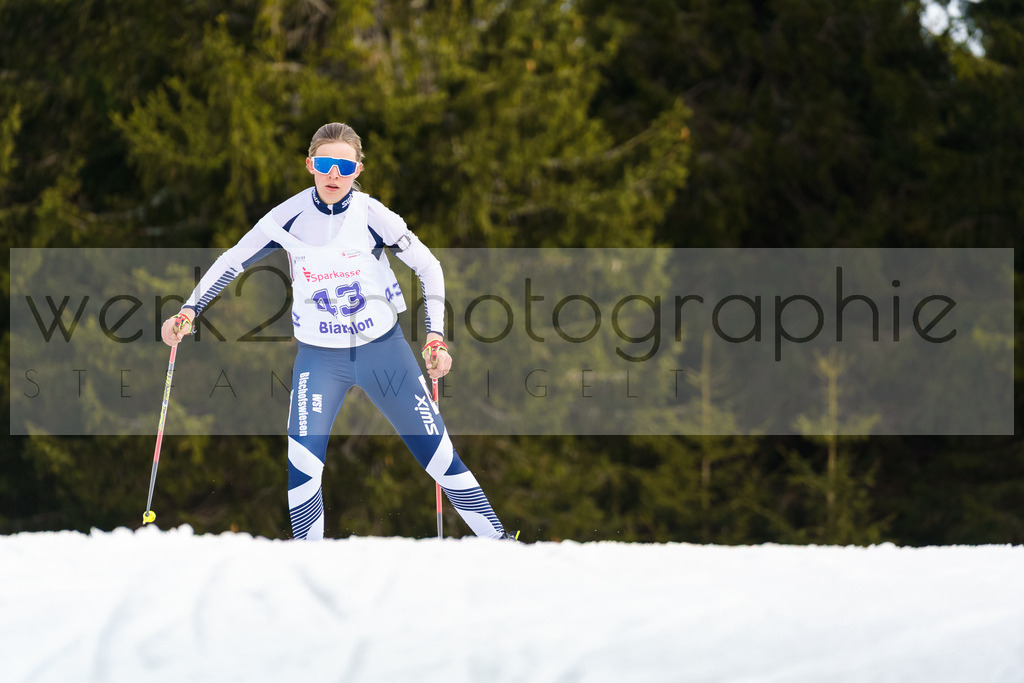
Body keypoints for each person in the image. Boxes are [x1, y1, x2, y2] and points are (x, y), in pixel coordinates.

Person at [161, 122, 512, 541]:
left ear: (357, 170)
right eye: (325, 163)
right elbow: (233, 261)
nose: (334, 174)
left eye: (344, 166)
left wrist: (434, 335)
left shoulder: (372, 214)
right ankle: (310, 565)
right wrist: (189, 309)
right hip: (320, 359)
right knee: (302, 466)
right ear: (310, 164)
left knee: (440, 458)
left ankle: (501, 546)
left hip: (384, 352)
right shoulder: (287, 217)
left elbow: (428, 266)